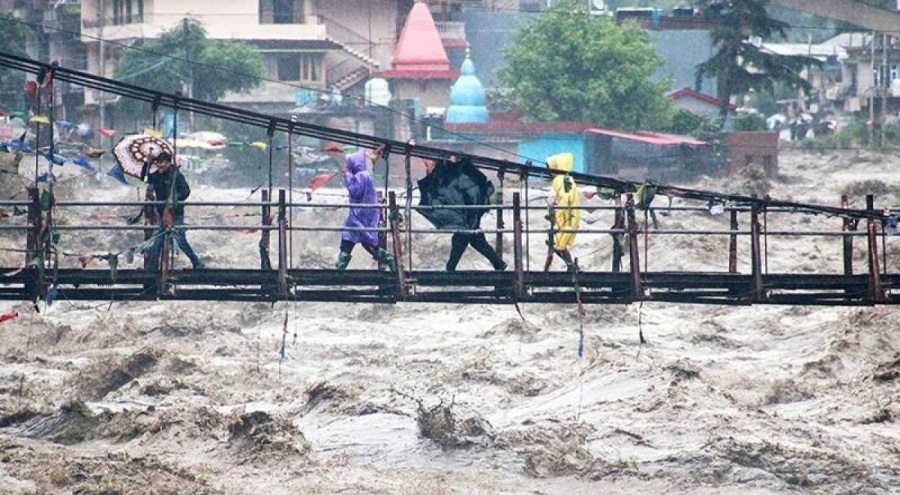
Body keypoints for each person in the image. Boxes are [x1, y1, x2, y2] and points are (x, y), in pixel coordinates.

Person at [418, 155, 506, 272]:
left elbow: (472, 196)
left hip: (470, 213)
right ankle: (498, 264)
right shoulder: (461, 173)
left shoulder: (465, 175)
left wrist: (471, 217)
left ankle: (450, 269)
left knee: (462, 238)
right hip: (469, 213)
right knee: (474, 239)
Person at [334, 145, 396, 270]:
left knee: (365, 241)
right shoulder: (364, 175)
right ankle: (340, 266)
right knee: (350, 238)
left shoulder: (361, 176)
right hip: (362, 214)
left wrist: (347, 176)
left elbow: (355, 191)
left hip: (361, 215)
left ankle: (389, 260)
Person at [147, 151, 205, 270]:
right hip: (162, 214)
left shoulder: (175, 175)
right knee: (156, 241)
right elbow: (145, 178)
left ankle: (196, 262)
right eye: (158, 162)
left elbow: (186, 191)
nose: (160, 165)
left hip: (176, 213)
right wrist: (147, 164)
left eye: (162, 162)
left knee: (180, 240)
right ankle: (152, 268)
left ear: (168, 163)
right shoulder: (157, 176)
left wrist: (174, 198)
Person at [545, 152, 580, 272]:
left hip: (567, 217)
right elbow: (565, 197)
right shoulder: (567, 178)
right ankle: (570, 265)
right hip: (571, 215)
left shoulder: (559, 180)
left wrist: (556, 213)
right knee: (558, 242)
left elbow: (565, 199)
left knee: (556, 243)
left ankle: (571, 266)